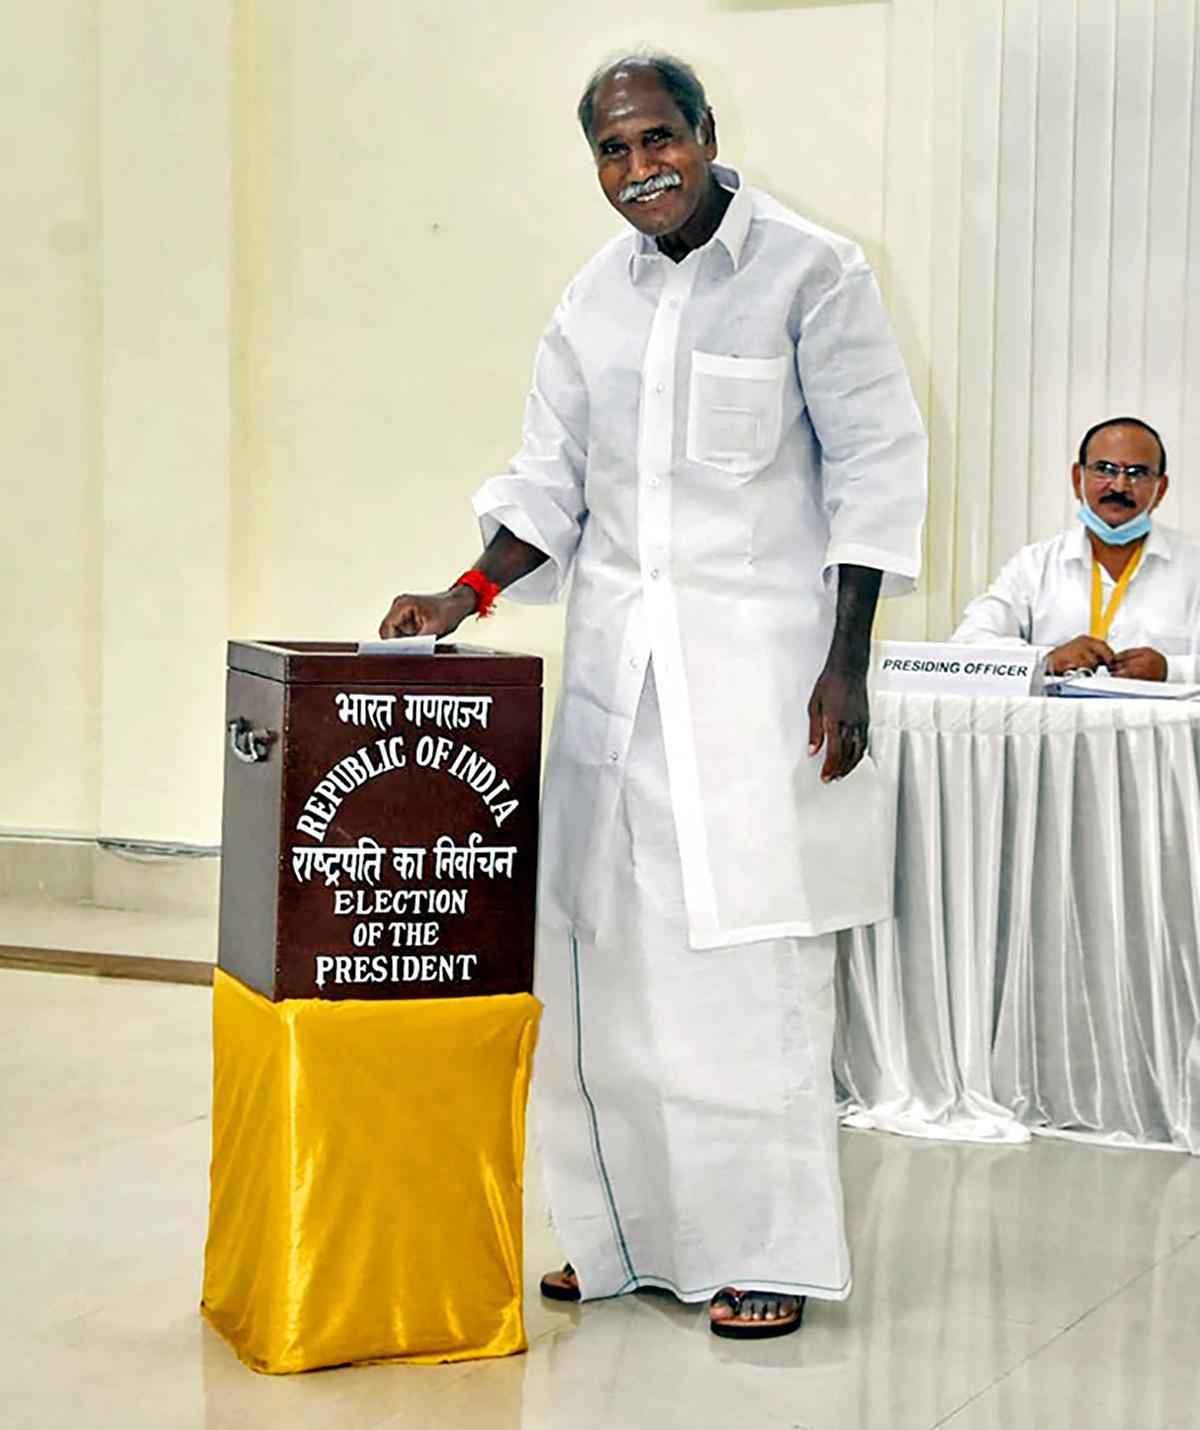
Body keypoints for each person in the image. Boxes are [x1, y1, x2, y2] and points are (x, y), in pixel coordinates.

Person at [380, 52, 926, 1339]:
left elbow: (875, 466)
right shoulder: (591, 302)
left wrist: (845, 661)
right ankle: (620, 1240)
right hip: (615, 692)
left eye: (658, 138)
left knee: (749, 976)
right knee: (605, 964)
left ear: (706, 132)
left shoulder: (815, 272)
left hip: (758, 691)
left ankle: (768, 1251)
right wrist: (464, 590)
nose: (640, 169)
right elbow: (547, 483)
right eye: (614, 151)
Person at [953, 417, 1200, 680]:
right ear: (1076, 479)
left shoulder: (1193, 565)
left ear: (1160, 489)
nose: (1119, 485)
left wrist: (1172, 670)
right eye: (1104, 469)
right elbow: (965, 643)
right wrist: (1047, 659)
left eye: (1137, 473)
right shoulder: (1035, 565)